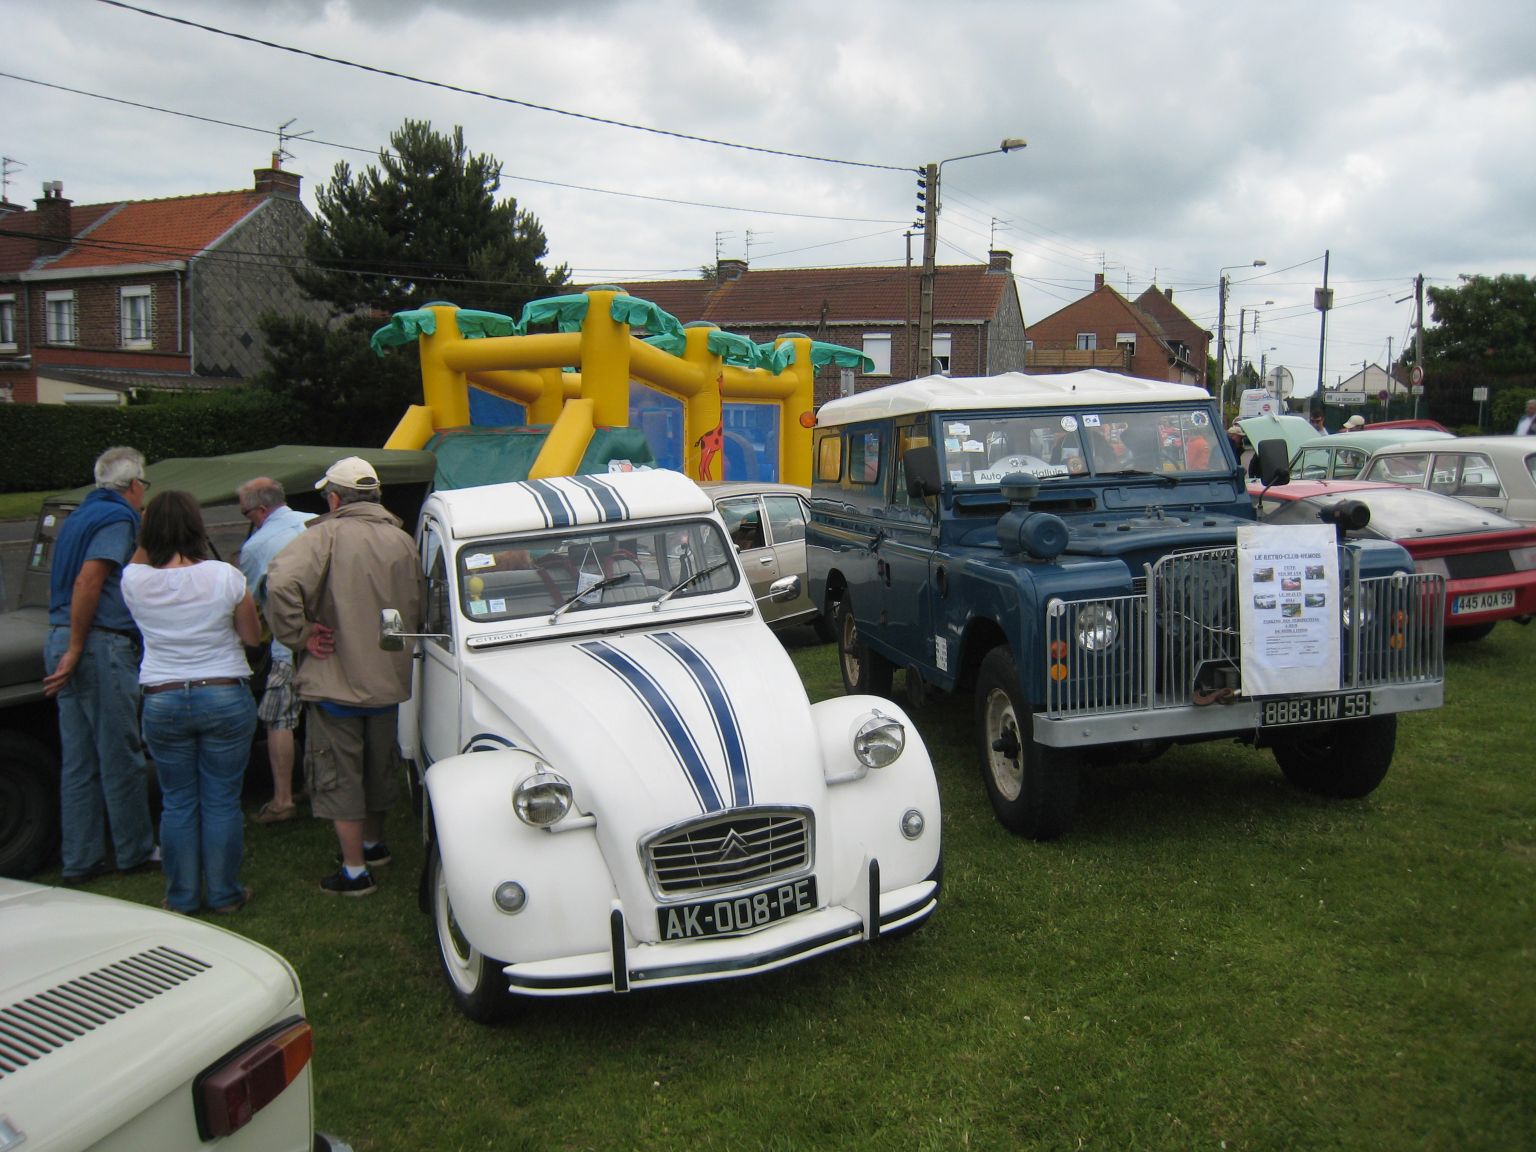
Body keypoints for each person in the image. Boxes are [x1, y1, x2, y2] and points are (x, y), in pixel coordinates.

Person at [265, 457, 424, 897]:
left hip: (338, 680)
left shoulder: (325, 535)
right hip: (388, 679)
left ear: (334, 499)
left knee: (341, 775)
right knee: (378, 768)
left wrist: (299, 635)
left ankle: (354, 871)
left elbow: (279, 582)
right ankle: (373, 846)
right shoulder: (402, 539)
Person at [122, 491, 262, 915]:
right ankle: (224, 893)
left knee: (178, 800)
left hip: (163, 697)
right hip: (222, 689)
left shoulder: (134, 580)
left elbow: (139, 558)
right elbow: (253, 637)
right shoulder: (225, 577)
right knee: (220, 798)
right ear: (197, 527)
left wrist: (150, 532)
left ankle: (181, 896)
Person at [42, 446, 157, 885]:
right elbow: (90, 579)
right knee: (121, 752)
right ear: (132, 485)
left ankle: (81, 858)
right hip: (97, 643)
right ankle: (134, 850)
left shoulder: (77, 517)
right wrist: (76, 646)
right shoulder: (117, 518)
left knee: (80, 758)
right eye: (143, 486)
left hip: (60, 635)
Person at [236, 477, 316, 824]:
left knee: (278, 718)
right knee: (320, 717)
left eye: (246, 513)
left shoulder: (258, 546)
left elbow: (246, 599)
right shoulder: (316, 523)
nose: (248, 520)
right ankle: (317, 786)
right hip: (333, 638)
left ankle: (283, 799)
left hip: (289, 645)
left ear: (262, 509)